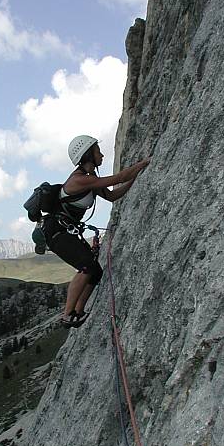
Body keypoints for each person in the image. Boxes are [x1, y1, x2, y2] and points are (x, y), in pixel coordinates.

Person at [42, 135, 150, 328]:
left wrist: (134, 179)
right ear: (87, 156)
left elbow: (111, 196)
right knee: (86, 267)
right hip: (56, 231)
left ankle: (78, 311)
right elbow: (118, 178)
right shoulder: (79, 181)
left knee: (95, 271)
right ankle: (67, 315)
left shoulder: (90, 179)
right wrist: (144, 164)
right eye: (97, 151)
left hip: (63, 230)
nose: (101, 155)